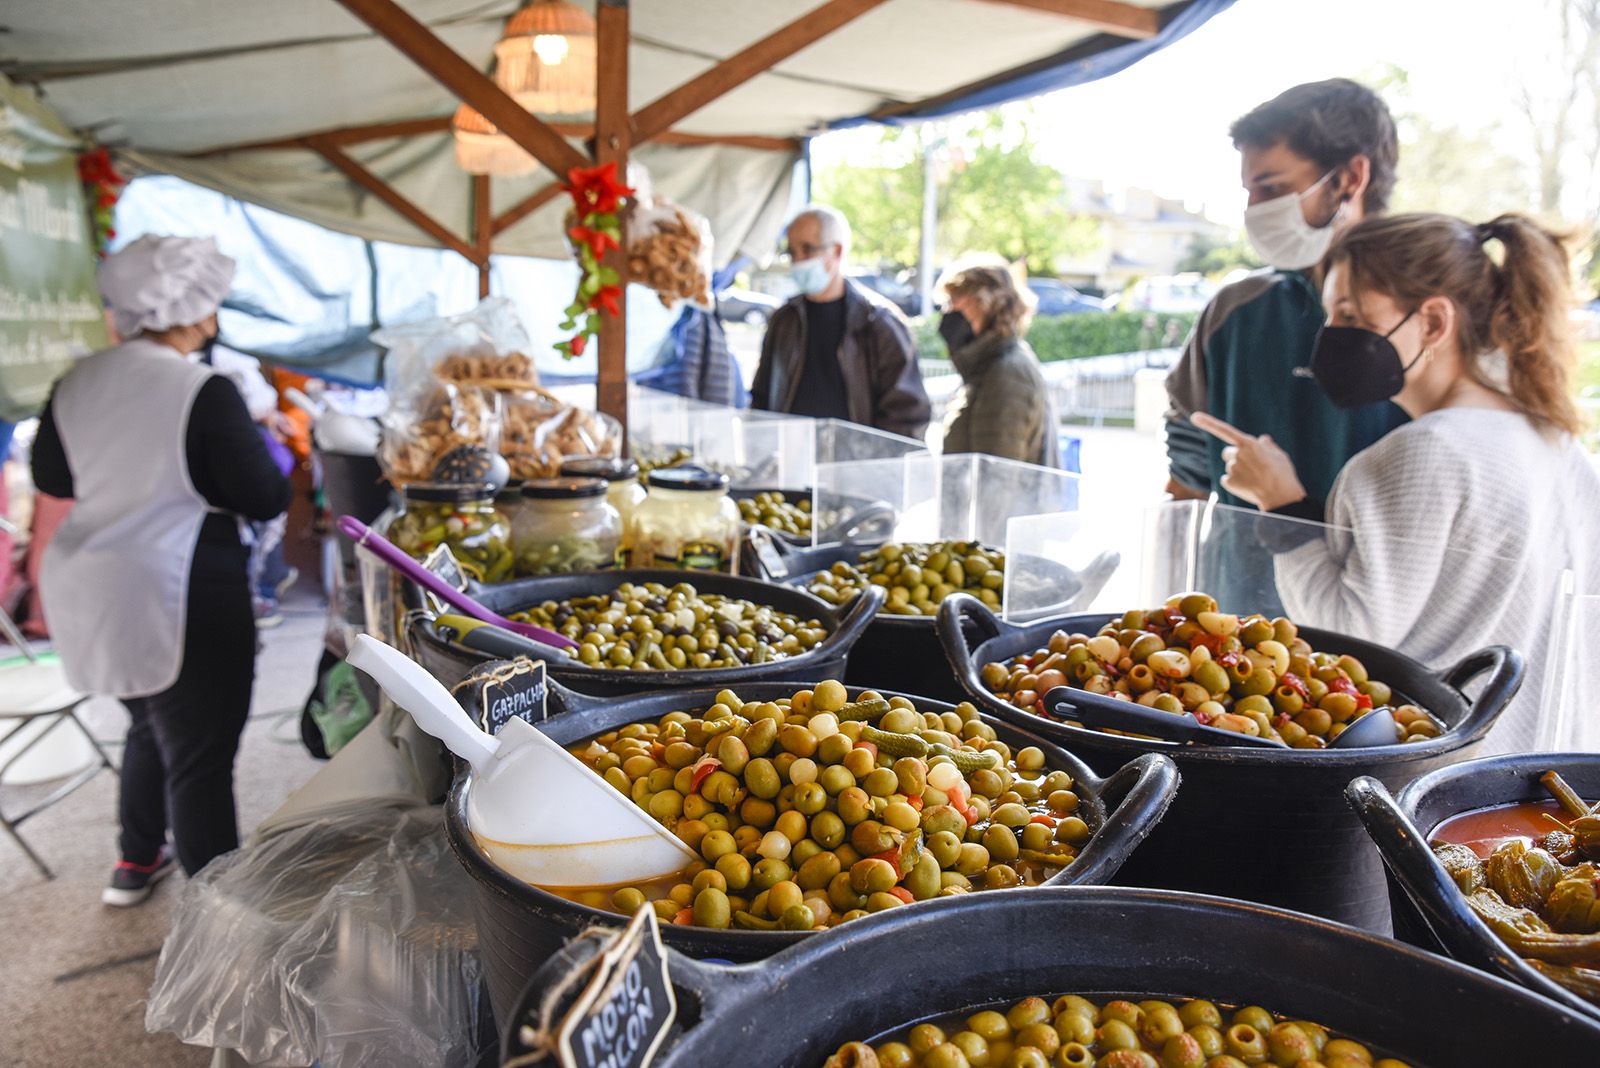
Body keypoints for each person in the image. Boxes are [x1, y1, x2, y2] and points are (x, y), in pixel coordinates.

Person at [1196, 213, 1600, 755]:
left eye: (1351, 313)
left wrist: (1279, 501)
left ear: (1433, 322)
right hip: (1546, 764)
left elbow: (1351, 636)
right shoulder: (1555, 440)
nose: (1330, 336)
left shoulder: (1423, 453)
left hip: (1438, 773)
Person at [31, 235, 292, 904]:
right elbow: (263, 494)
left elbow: (54, 478)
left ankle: (136, 857)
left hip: (92, 588)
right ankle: (217, 920)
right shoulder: (202, 388)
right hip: (179, 587)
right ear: (195, 309)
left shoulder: (77, 380)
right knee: (201, 756)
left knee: (149, 723)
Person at [1166, 79, 1406, 520]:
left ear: (1351, 178)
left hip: (1371, 585)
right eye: (1248, 192)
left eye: (1272, 188)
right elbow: (1188, 463)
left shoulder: (1425, 314)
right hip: (1237, 582)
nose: (1254, 210)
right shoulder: (1235, 311)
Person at [750, 205, 931, 438]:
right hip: (790, 462)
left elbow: (908, 414)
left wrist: (873, 465)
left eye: (807, 249)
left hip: (855, 468)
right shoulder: (784, 320)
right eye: (792, 252)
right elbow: (762, 396)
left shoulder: (879, 322)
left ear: (836, 251)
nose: (798, 260)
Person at [936, 262, 1061, 467]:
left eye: (954, 301)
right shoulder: (986, 366)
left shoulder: (1008, 373)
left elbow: (996, 478)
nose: (948, 311)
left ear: (985, 304)